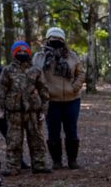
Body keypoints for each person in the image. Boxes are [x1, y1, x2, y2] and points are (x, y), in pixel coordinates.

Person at [33, 26, 85, 169]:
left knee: (71, 129)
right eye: (53, 39)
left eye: (59, 39)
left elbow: (81, 73)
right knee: (53, 131)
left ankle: (72, 160)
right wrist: (42, 92)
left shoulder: (72, 56)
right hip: (51, 101)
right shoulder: (39, 57)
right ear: (47, 40)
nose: (56, 42)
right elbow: (34, 75)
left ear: (63, 40)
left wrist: (74, 87)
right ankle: (56, 161)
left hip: (72, 100)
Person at [0, 41, 51, 175]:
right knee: (14, 140)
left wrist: (44, 110)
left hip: (33, 111)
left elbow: (44, 90)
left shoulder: (36, 70)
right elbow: (1, 90)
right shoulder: (7, 70)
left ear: (28, 53)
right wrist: (0, 109)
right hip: (14, 112)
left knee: (37, 139)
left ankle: (39, 165)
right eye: (18, 52)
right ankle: (12, 166)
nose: (22, 54)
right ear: (14, 54)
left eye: (24, 52)